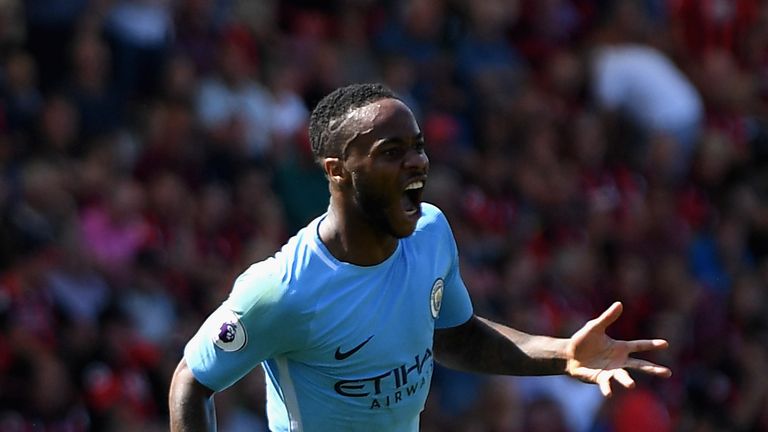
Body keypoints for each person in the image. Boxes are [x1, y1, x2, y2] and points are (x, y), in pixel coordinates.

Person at [169, 83, 672, 432]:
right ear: (338, 170)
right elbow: (191, 382)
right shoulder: (283, 289)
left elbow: (455, 338)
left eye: (419, 146)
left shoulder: (431, 231)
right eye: (392, 151)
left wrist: (563, 354)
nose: (417, 161)